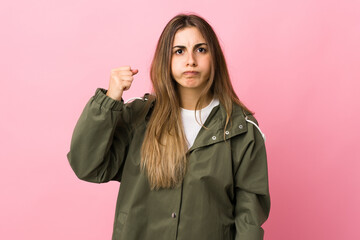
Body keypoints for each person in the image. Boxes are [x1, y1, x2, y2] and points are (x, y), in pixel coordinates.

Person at [67, 13, 270, 240]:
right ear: (166, 59)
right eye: (179, 51)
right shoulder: (139, 117)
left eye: (201, 50)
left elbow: (249, 215)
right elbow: (87, 166)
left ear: (215, 58)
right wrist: (110, 100)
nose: (190, 60)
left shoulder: (241, 129)